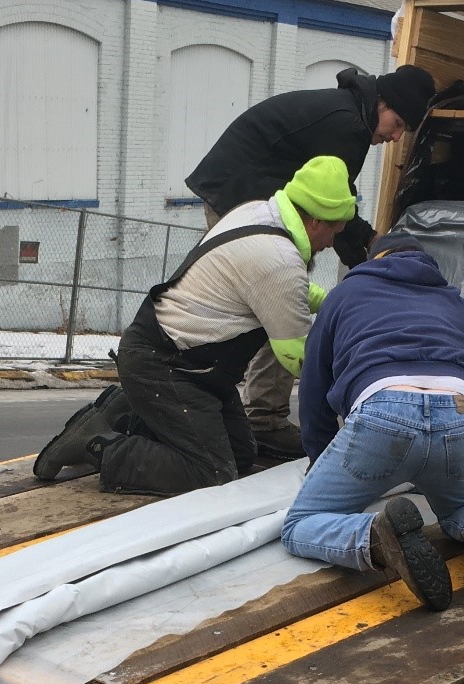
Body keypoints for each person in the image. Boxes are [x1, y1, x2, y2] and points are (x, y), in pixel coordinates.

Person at [33, 157, 355, 497]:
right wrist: (355, 376)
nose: (333, 242)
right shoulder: (279, 260)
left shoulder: (259, 213)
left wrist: (336, 300)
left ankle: (124, 409)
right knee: (211, 471)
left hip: (186, 362)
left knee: (241, 453)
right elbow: (298, 356)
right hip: (169, 366)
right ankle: (98, 443)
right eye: (336, 230)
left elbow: (282, 288)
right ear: (317, 220)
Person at [185, 64, 438, 461]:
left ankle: (242, 405)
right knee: (281, 291)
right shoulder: (347, 127)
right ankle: (257, 415)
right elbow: (336, 211)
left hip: (246, 191)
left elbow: (335, 209)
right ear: (382, 103)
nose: (394, 136)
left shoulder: (346, 112)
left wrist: (366, 253)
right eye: (397, 122)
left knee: (283, 291)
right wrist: (372, 261)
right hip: (238, 193)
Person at [282, 234, 464, 611]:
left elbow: (315, 390)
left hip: (384, 409)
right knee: (457, 511)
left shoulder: (346, 294)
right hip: (457, 411)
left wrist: (320, 458)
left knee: (300, 525)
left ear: (374, 260)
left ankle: (376, 537)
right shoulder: (452, 300)